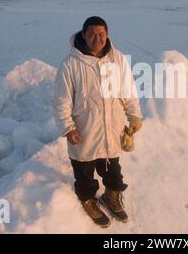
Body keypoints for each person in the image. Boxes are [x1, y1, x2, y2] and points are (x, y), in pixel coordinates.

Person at [53, 16, 143, 228]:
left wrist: (134, 116)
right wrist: (67, 127)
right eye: (92, 34)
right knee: (84, 172)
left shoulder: (117, 59)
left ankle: (111, 196)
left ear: (107, 35)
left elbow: (128, 90)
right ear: (83, 35)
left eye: (101, 34)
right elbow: (61, 100)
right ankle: (88, 199)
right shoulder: (71, 64)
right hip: (85, 130)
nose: (97, 39)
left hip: (112, 127)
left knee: (113, 171)